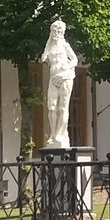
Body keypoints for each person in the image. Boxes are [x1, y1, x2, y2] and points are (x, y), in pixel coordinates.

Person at [38, 19, 77, 149]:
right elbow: (43, 58)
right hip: (53, 78)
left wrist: (66, 69)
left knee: (62, 108)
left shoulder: (64, 45)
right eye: (54, 30)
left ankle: (59, 136)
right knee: (51, 107)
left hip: (65, 77)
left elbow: (75, 59)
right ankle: (53, 134)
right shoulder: (49, 46)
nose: (56, 33)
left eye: (59, 31)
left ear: (63, 32)